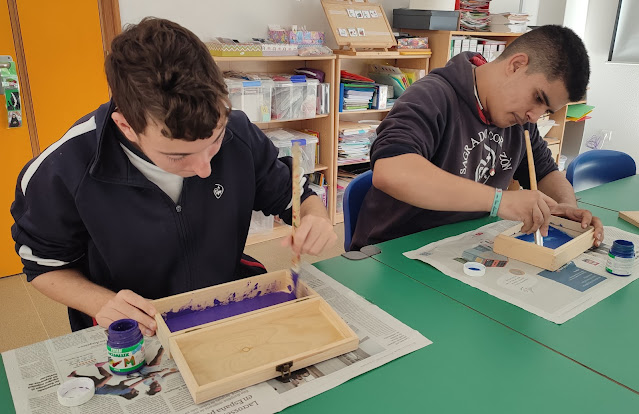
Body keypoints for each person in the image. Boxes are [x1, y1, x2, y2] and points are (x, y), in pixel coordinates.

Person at [10, 18, 336, 334]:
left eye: (215, 142)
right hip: (136, 325)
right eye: (178, 155)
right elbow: (43, 266)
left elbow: (296, 195)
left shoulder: (238, 132)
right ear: (127, 126)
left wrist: (314, 215)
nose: (205, 168)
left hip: (223, 306)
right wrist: (101, 302)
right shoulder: (64, 169)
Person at [351, 25, 603, 251]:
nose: (535, 116)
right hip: (395, 253)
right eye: (538, 98)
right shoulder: (432, 96)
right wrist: (499, 201)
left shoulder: (520, 120)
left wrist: (567, 208)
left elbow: (545, 171)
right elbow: (391, 171)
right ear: (516, 65)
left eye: (547, 111)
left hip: (464, 247)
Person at [68, 362, 144, 400]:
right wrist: (136, 377)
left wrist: (144, 379)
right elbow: (123, 382)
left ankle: (99, 366)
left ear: (131, 393)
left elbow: (134, 384)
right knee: (93, 378)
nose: (134, 389)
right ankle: (74, 375)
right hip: (100, 389)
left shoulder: (124, 391)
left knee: (109, 376)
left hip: (100, 388)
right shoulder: (122, 390)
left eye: (134, 390)